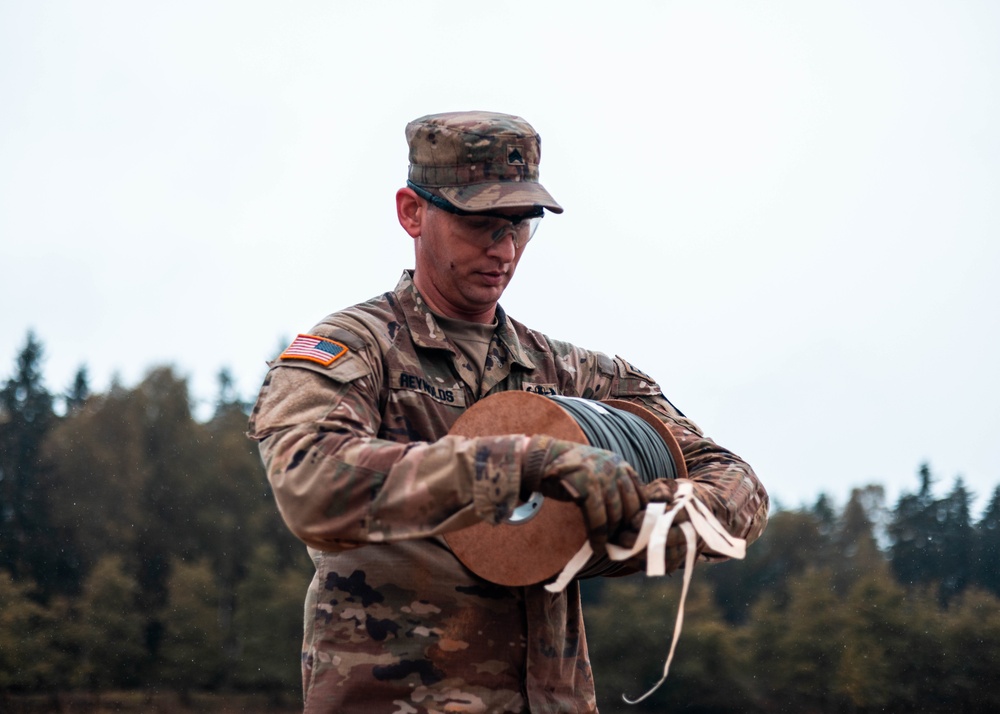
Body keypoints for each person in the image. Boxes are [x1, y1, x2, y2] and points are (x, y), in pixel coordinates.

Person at [248, 110, 768, 713]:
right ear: (411, 212)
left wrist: (649, 518)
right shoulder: (353, 352)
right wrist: (517, 466)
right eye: (481, 225)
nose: (504, 250)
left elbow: (736, 483)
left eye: (522, 227)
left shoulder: (571, 372)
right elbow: (310, 485)